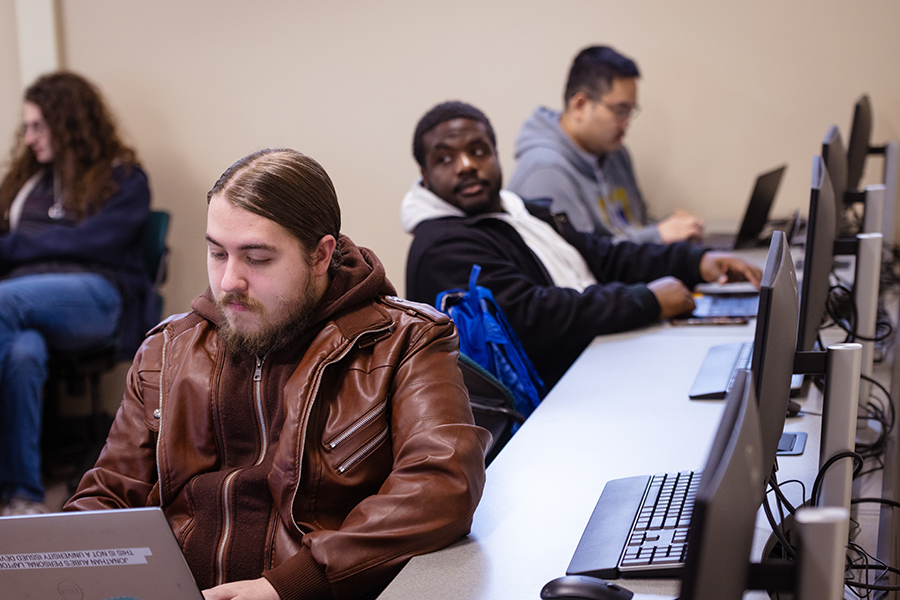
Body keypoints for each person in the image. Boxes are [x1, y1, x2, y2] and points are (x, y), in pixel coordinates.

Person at [66, 148, 490, 600]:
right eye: (216, 253)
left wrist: (291, 585)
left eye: (257, 258)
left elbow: (442, 483)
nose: (230, 280)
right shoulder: (165, 351)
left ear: (321, 255)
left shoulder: (405, 341)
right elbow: (108, 497)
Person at [403, 101, 760, 390]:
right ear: (424, 175)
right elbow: (531, 318)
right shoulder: (442, 247)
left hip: (592, 359)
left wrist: (695, 261)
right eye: (445, 158)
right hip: (549, 401)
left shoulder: (520, 211)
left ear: (496, 156)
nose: (466, 165)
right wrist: (646, 301)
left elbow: (604, 256)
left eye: (478, 151)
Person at [0, 72, 155, 516]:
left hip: (96, 296)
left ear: (69, 123)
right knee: (22, 355)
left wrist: (13, 248)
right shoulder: (24, 185)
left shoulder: (124, 179)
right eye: (26, 127)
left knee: (3, 301)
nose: (28, 138)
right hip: (18, 306)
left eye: (38, 126)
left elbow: (92, 244)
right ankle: (23, 497)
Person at [508, 45, 704, 244]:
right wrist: (657, 236)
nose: (627, 123)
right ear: (580, 105)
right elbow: (582, 260)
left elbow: (637, 225)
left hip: (635, 273)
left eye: (630, 111)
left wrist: (676, 231)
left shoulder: (616, 154)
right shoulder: (545, 170)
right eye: (619, 111)